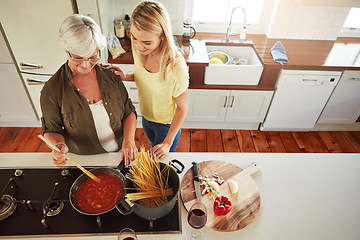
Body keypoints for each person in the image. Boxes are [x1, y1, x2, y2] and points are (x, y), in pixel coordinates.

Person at [40, 14, 137, 167]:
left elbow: (128, 112)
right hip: (81, 161)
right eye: (78, 58)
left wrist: (129, 141)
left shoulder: (111, 75)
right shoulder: (52, 90)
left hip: (118, 153)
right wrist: (58, 147)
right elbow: (52, 130)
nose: (85, 65)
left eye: (93, 57)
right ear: (67, 50)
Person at [104, 1, 189, 160]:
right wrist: (126, 77)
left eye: (147, 42)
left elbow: (182, 108)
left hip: (166, 126)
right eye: (134, 38)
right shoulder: (139, 50)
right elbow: (145, 77)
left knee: (161, 166)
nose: (139, 46)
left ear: (162, 36)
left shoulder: (175, 67)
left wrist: (168, 142)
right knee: (152, 150)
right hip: (146, 119)